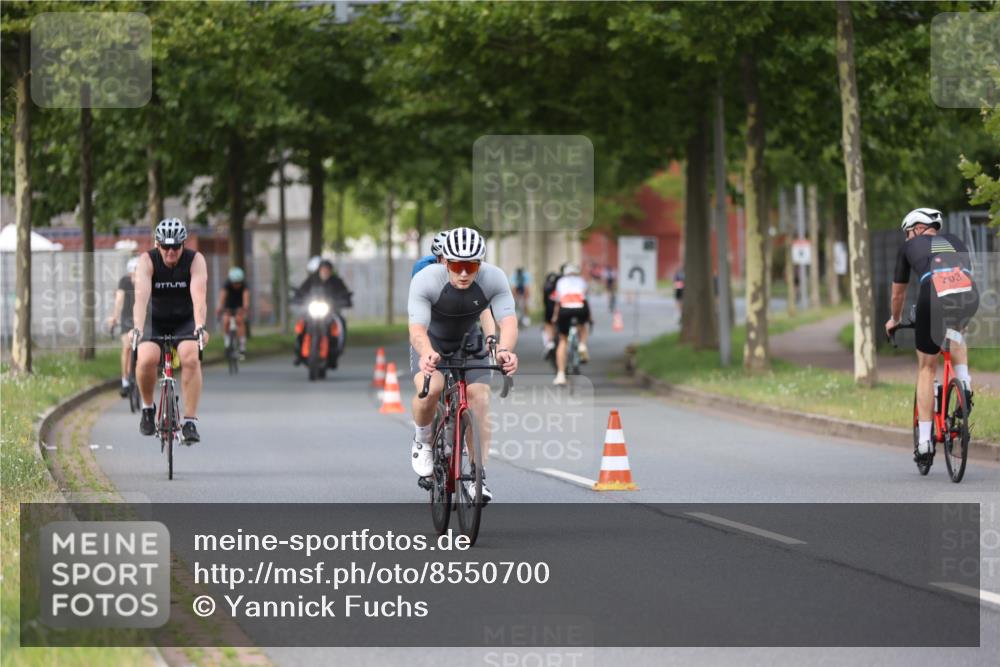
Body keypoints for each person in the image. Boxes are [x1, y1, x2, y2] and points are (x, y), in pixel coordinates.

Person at [408, 227, 519, 503]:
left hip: (469, 341)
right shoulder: (425, 278)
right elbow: (417, 329)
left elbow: (507, 320)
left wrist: (503, 349)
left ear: (481, 264)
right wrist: (426, 352)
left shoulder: (494, 278)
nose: (464, 273)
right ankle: (422, 439)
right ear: (445, 261)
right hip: (432, 341)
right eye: (457, 266)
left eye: (472, 266)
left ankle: (477, 476)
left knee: (479, 397)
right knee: (431, 390)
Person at [885, 208, 979, 461]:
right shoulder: (956, 241)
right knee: (957, 332)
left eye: (908, 233)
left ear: (917, 229)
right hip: (968, 294)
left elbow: (898, 294)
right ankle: (964, 384)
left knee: (927, 368)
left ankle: (925, 442)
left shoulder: (909, 247)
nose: (907, 238)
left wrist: (895, 319)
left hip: (932, 294)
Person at [131, 218, 209, 444]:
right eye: (166, 246)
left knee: (190, 357)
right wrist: (137, 328)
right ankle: (148, 408)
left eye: (176, 246)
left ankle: (190, 421)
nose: (171, 251)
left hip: (184, 320)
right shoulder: (147, 260)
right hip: (154, 320)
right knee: (146, 358)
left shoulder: (195, 260)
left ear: (183, 244)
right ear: (158, 244)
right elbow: (141, 298)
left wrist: (200, 325)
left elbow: (199, 297)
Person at [292, 259, 352, 367]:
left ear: (331, 271)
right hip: (312, 311)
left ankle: (339, 348)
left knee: (341, 322)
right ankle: (298, 350)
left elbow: (344, 293)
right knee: (301, 323)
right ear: (319, 270)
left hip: (330, 312)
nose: (325, 271)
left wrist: (345, 300)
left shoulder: (336, 281)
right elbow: (302, 291)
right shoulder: (312, 280)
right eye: (323, 269)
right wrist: (297, 298)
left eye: (327, 269)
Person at [550, 263, 591, 385]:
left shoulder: (560, 282)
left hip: (565, 309)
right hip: (580, 308)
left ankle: (561, 374)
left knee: (562, 340)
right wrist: (589, 317)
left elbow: (557, 302)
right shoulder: (581, 281)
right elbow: (585, 299)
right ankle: (582, 345)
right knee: (583, 326)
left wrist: (555, 317)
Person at [107, 256, 140, 397]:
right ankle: (125, 380)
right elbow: (119, 299)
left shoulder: (146, 281)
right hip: (128, 318)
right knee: (127, 347)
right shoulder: (125, 281)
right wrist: (114, 317)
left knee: (138, 349)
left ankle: (136, 377)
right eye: (135, 270)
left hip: (142, 318)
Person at [216, 266, 249, 360]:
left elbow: (246, 298)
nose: (236, 285)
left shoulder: (244, 285)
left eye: (238, 283)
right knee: (226, 320)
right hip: (229, 305)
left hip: (239, 305)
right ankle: (227, 343)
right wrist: (219, 308)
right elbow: (222, 297)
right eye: (234, 283)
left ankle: (242, 347)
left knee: (239, 320)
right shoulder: (227, 284)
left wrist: (245, 308)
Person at [541, 269, 561, 360]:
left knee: (547, 325)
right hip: (561, 310)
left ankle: (549, 343)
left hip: (548, 310)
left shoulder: (546, 287)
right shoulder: (561, 286)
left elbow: (544, 301)